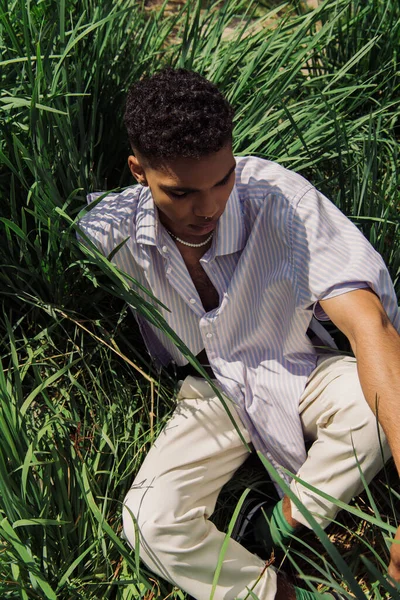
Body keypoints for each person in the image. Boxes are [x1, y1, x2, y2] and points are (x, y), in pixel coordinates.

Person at [78, 68, 400, 600]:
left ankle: (279, 526)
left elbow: (372, 325)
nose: (208, 208)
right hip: (208, 389)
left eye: (222, 180)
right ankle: (277, 592)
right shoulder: (107, 234)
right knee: (147, 522)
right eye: (181, 192)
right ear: (138, 170)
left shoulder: (284, 203)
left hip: (295, 361)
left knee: (380, 405)